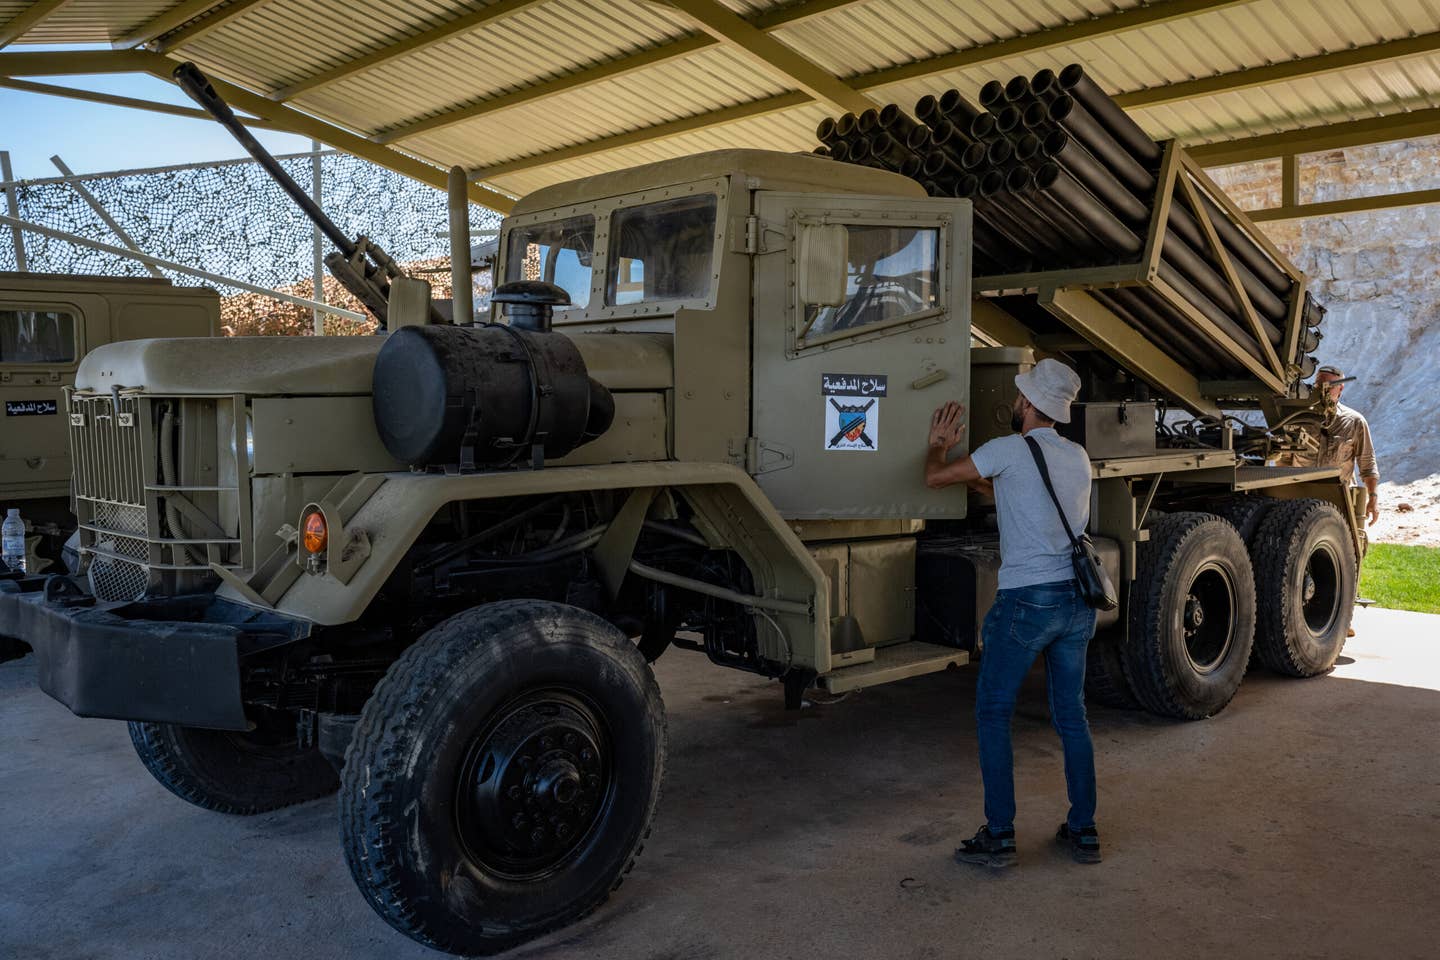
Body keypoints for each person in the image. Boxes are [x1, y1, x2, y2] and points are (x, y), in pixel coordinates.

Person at [923, 358, 1100, 867]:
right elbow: (1017, 494)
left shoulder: (1006, 450)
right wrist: (976, 471)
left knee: (994, 713)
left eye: (1020, 396)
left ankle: (999, 834)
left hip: (1027, 601)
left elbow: (935, 478)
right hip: (1075, 601)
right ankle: (1083, 830)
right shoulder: (1076, 456)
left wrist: (941, 443)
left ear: (1026, 404)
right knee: (1071, 715)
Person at [1286, 365, 1381, 526]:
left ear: (1341, 387)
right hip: (1301, 499)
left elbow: (1367, 464)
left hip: (1340, 500)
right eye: (1318, 384)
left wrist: (1373, 498)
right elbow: (1285, 460)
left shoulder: (1355, 421)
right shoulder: (1298, 417)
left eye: (1329, 385)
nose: (1322, 389)